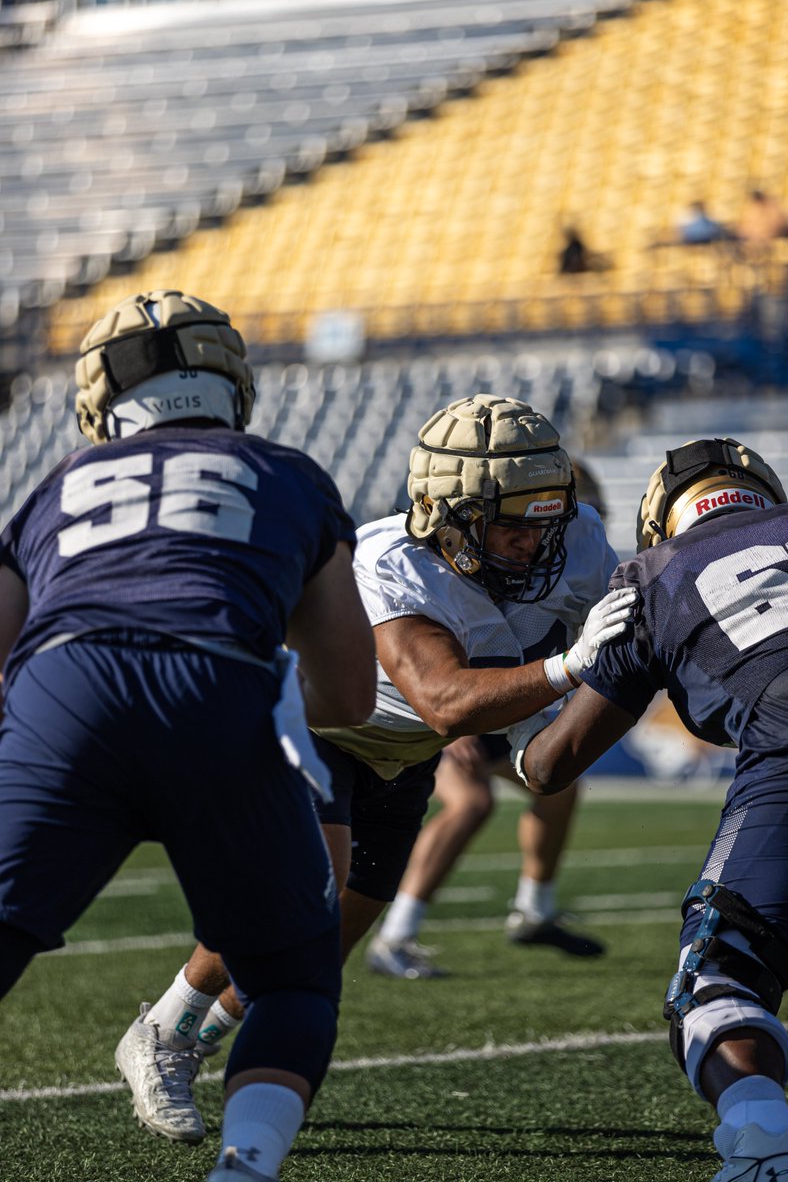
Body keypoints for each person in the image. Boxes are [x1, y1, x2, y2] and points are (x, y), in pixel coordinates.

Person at [115, 392, 636, 1142]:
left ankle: (201, 1040)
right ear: (451, 515)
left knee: (324, 947)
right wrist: (568, 667)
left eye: (545, 520)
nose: (534, 542)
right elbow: (445, 702)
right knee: (295, 901)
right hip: (317, 730)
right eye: (511, 524)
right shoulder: (392, 561)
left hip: (404, 756)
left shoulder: (576, 539)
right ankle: (163, 1032)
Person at [0, 288, 377, 1182]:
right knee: (290, 978)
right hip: (221, 689)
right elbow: (350, 695)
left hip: (64, 689)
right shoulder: (286, 473)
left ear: (102, 401)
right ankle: (245, 1168)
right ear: (230, 387)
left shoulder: (57, 485)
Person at [521, 437, 788, 1182]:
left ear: (659, 520)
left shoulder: (651, 575)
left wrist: (528, 719)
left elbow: (551, 766)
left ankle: (765, 1145)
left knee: (715, 981)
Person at [366, 459, 609, 980]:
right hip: (429, 711)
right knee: (471, 802)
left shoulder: (563, 554)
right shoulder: (433, 569)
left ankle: (534, 909)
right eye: (522, 526)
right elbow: (443, 679)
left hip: (490, 704)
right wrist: (458, 721)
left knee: (557, 786)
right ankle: (395, 936)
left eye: (550, 527)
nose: (536, 543)